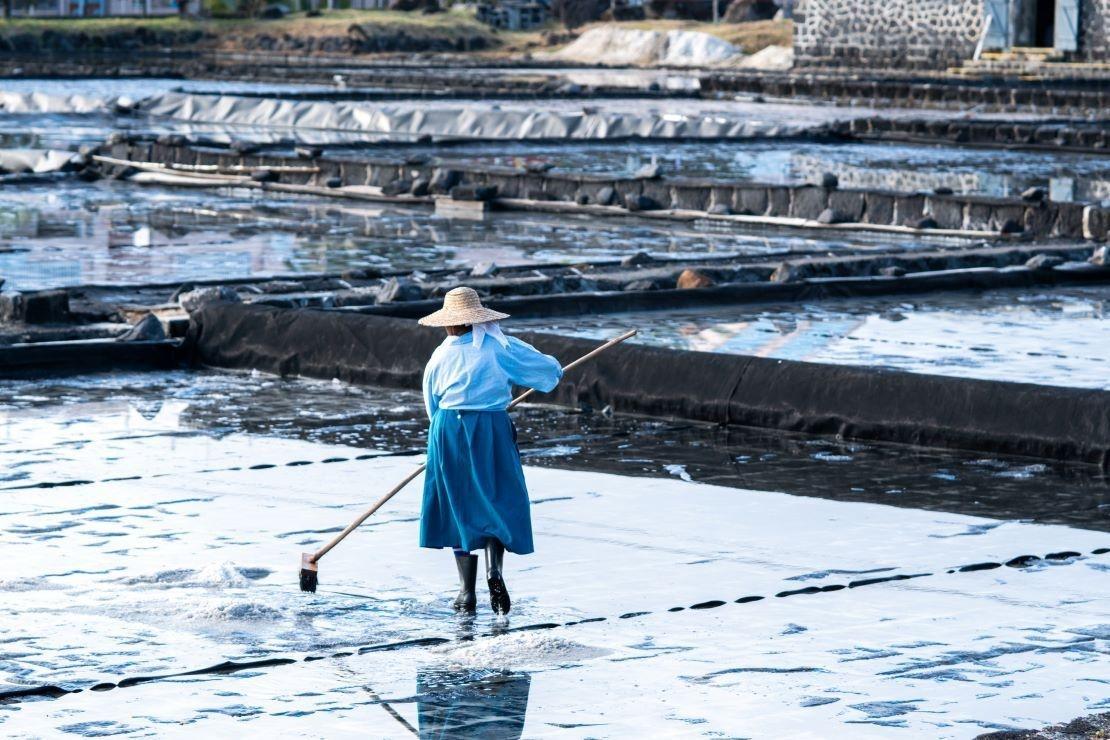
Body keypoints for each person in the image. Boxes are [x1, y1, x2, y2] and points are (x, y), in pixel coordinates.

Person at [418, 287, 563, 615]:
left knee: (458, 503)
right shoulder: (499, 347)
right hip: (491, 426)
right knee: (497, 499)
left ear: (448, 324)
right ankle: (493, 571)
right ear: (477, 319)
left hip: (447, 429)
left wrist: (442, 437)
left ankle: (466, 592)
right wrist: (552, 369)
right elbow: (548, 373)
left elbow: (432, 403)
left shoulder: (440, 355)